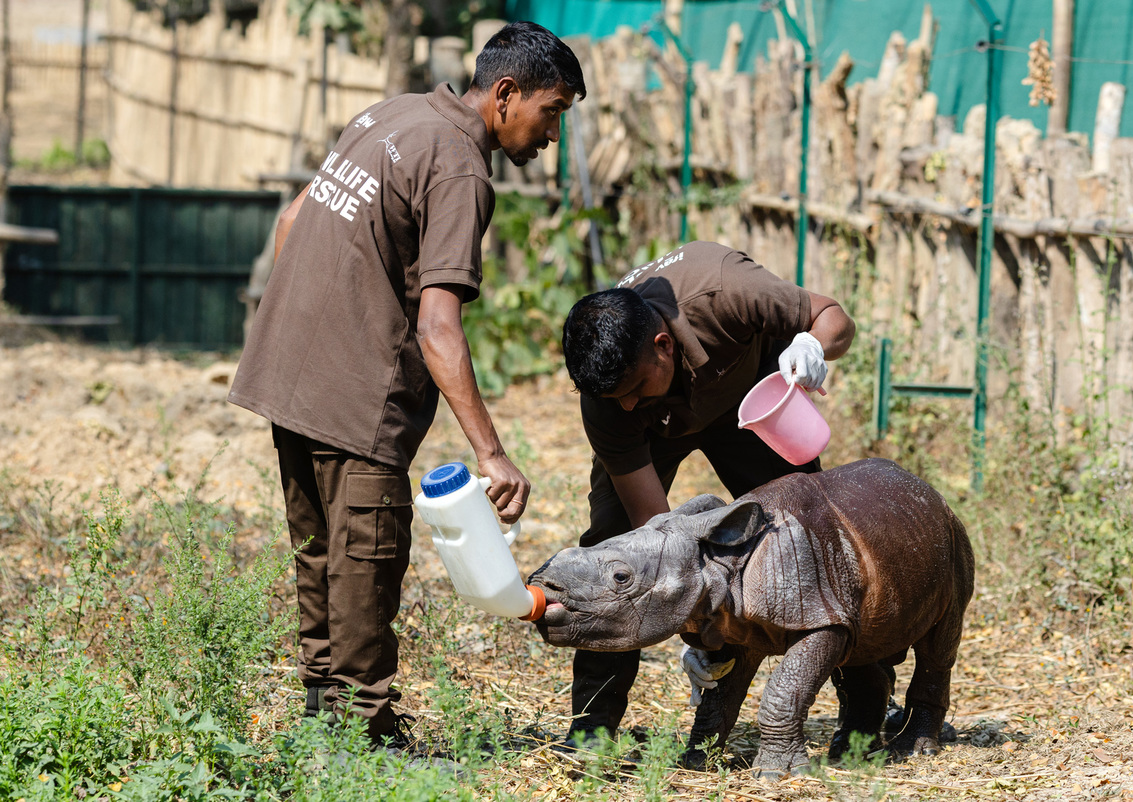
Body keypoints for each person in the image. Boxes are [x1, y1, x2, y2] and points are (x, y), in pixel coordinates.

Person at [228, 22, 585, 753]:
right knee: (366, 565)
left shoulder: (392, 114)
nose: (553, 134)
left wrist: (303, 332)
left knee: (322, 556)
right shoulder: (460, 167)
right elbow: (439, 330)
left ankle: (322, 724)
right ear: (506, 94)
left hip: (285, 376)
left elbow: (294, 220)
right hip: (356, 400)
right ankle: (364, 738)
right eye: (552, 111)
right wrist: (493, 454)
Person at [558, 240, 856, 749]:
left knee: (810, 539)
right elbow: (659, 543)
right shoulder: (610, 402)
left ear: (663, 344)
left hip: (750, 402)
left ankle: (866, 704)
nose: (625, 403)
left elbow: (834, 317)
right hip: (658, 432)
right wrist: (698, 626)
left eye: (632, 386)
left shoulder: (725, 288)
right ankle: (593, 726)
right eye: (614, 398)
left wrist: (811, 346)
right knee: (616, 552)